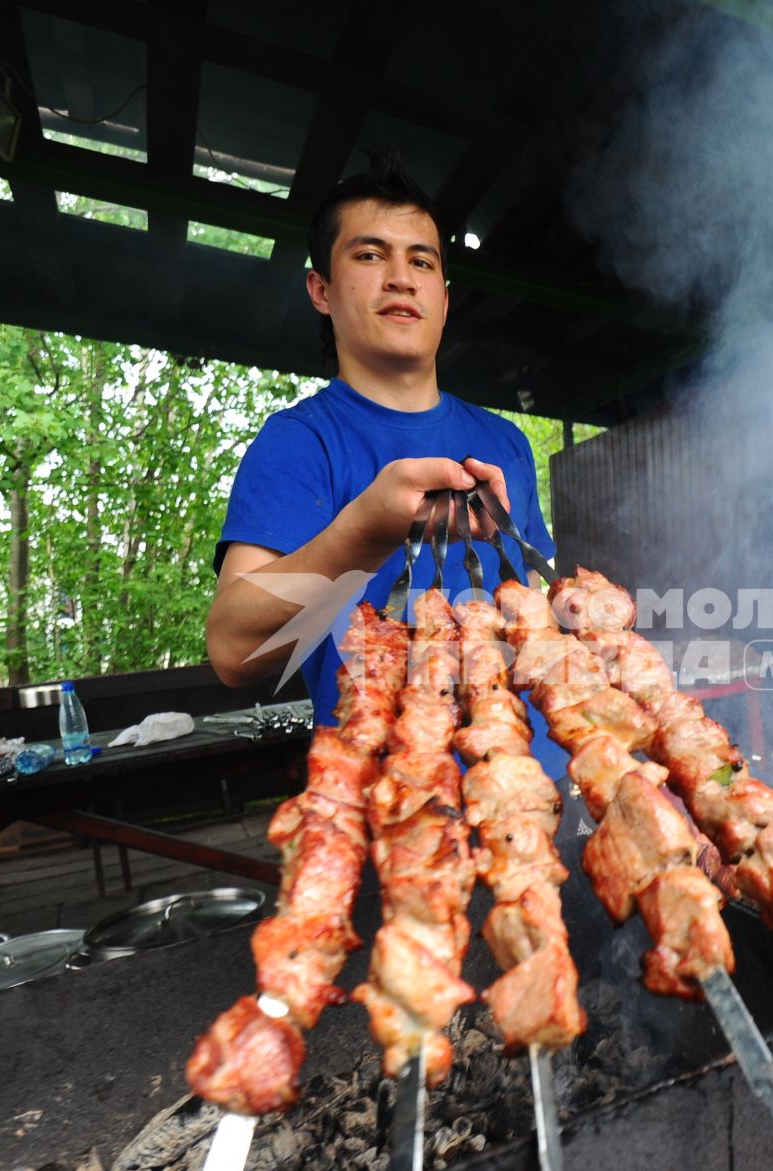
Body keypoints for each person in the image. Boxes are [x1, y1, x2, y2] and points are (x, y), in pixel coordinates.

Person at [207, 150, 567, 774]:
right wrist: (364, 530)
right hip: (386, 811)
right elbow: (234, 651)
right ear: (320, 289)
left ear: (445, 299)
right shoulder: (297, 443)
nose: (401, 277)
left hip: (529, 787)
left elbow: (534, 613)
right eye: (370, 255)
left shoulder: (506, 441)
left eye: (421, 261)